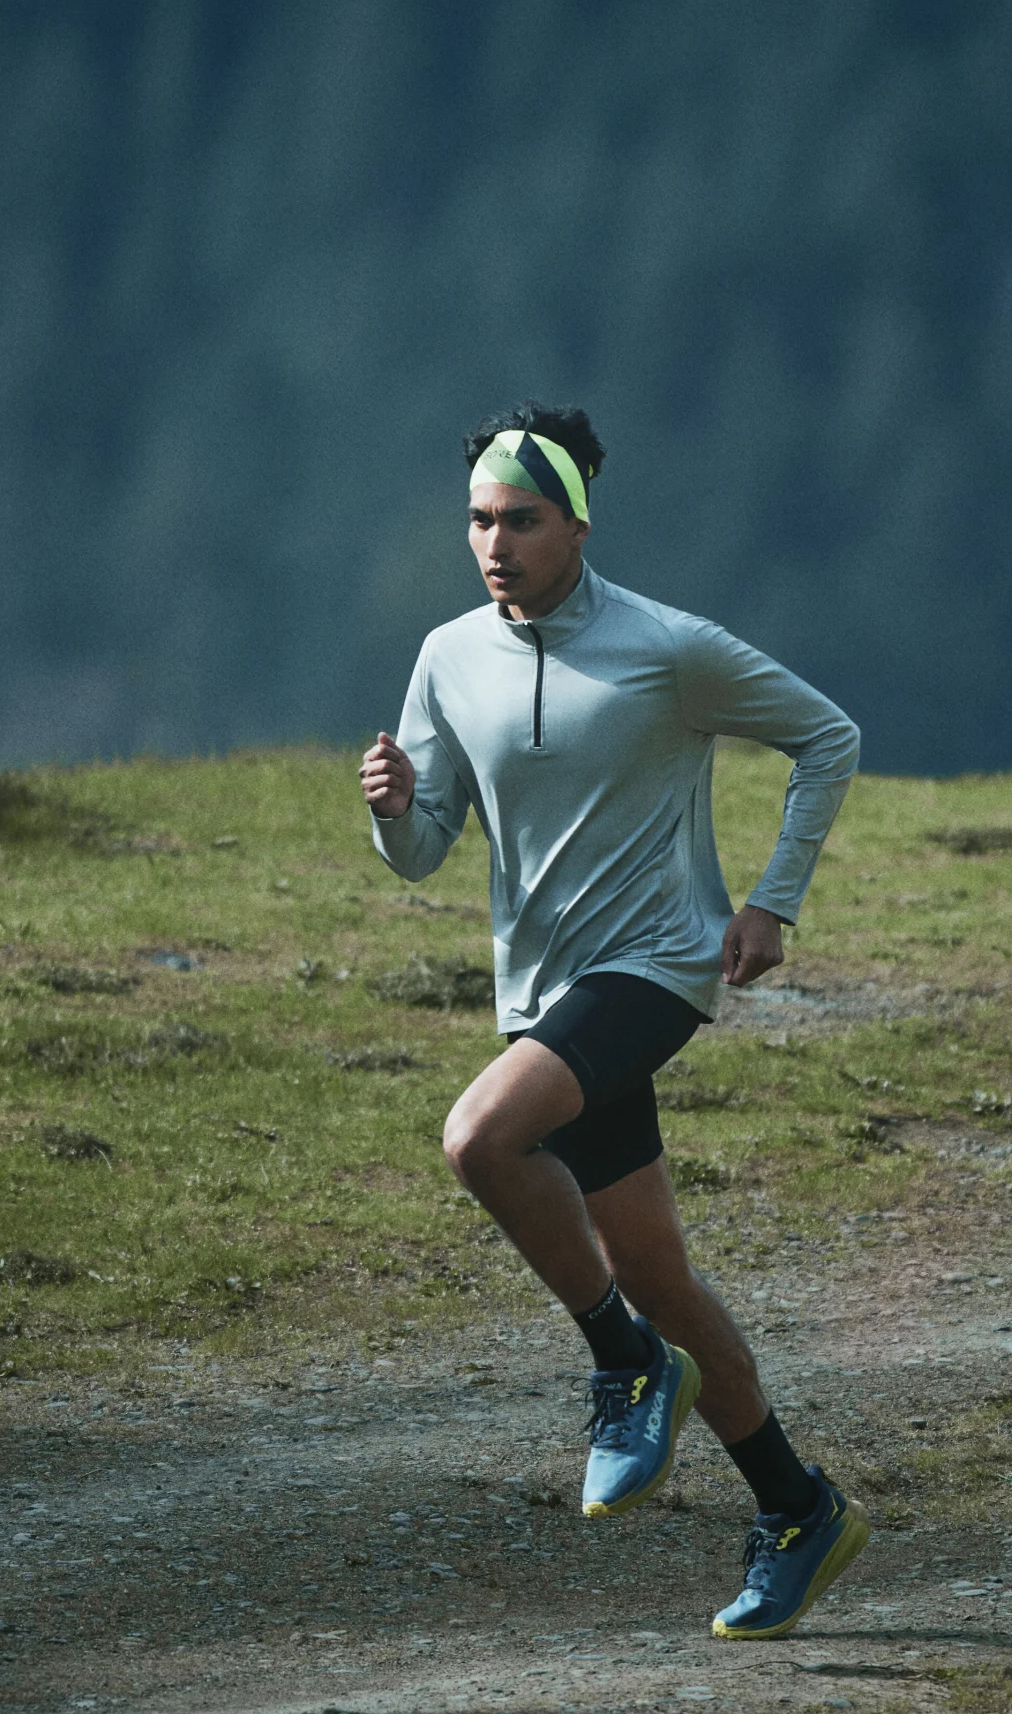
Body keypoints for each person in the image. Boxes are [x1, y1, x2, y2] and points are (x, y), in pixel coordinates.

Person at [360, 403, 871, 1639]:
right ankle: (799, 1509)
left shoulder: (665, 647)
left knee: (480, 1139)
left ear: (577, 524)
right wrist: (390, 805)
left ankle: (624, 1364)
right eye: (480, 521)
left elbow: (826, 736)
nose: (497, 543)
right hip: (543, 996)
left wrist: (771, 903)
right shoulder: (447, 657)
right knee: (659, 1272)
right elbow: (425, 853)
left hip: (653, 971)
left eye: (522, 520)